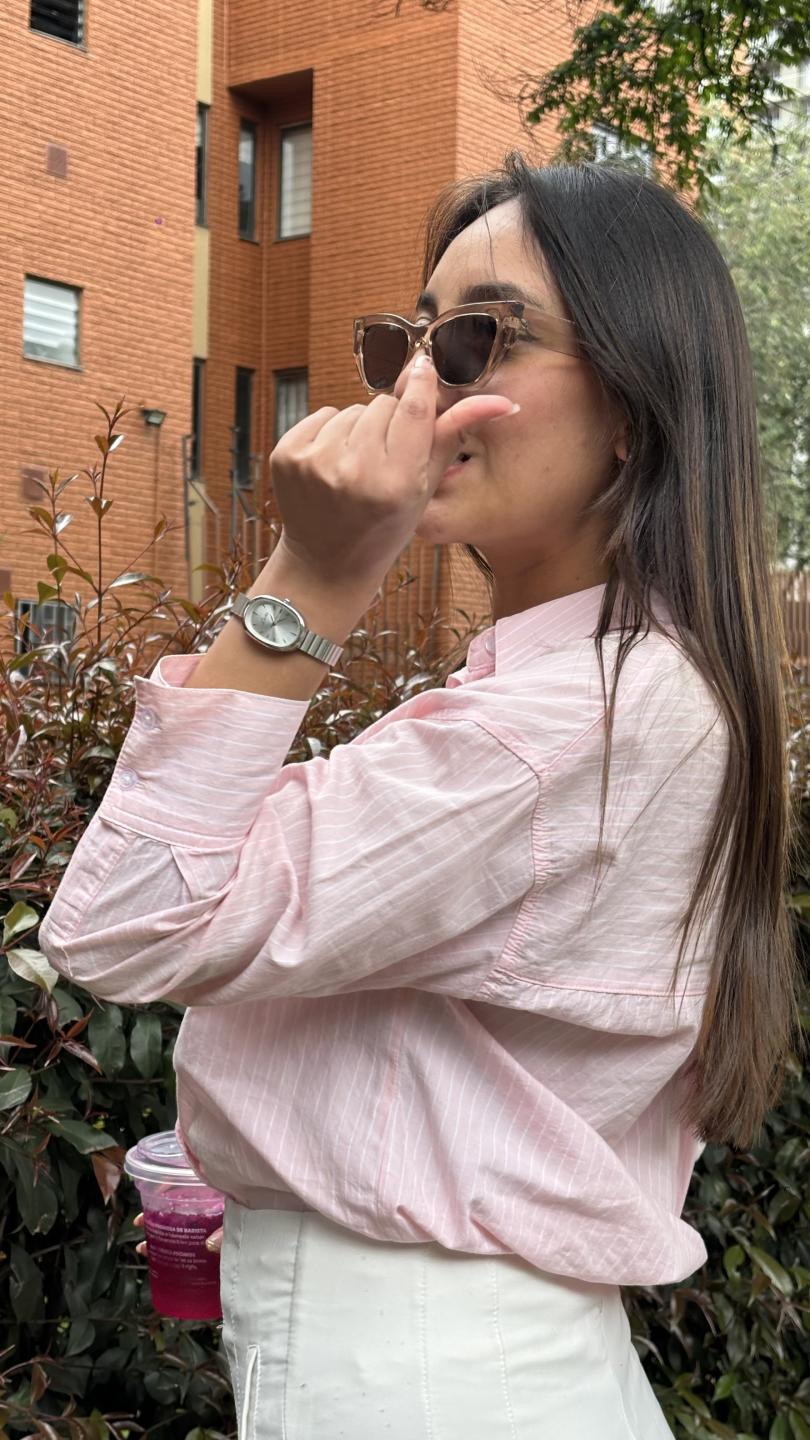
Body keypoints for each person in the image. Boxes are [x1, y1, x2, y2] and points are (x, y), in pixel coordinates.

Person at [39, 153, 798, 1439]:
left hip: (428, 1367)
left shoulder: (570, 721)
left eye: (479, 339)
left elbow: (131, 917)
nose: (416, 387)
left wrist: (316, 573)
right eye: (408, 341)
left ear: (636, 401)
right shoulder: (620, 690)